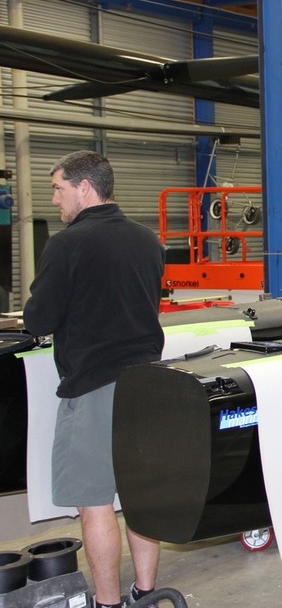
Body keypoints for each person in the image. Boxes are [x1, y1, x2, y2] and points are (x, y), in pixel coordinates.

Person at [23, 150, 165, 608]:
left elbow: (38, 317)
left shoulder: (67, 244)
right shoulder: (148, 240)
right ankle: (145, 593)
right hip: (148, 386)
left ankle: (107, 603)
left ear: (85, 188)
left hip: (95, 389)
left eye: (58, 188)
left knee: (95, 503)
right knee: (141, 499)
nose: (54, 199)